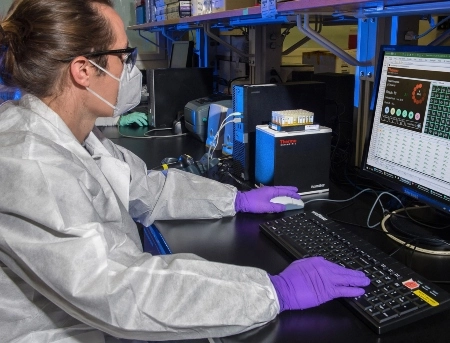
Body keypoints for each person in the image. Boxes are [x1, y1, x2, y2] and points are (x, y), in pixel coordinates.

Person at [0, 1, 370, 342]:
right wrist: (274, 291)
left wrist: (234, 200)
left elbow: (140, 188)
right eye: (123, 56)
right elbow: (117, 289)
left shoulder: (69, 134)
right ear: (83, 70)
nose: (131, 70)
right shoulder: (30, 164)